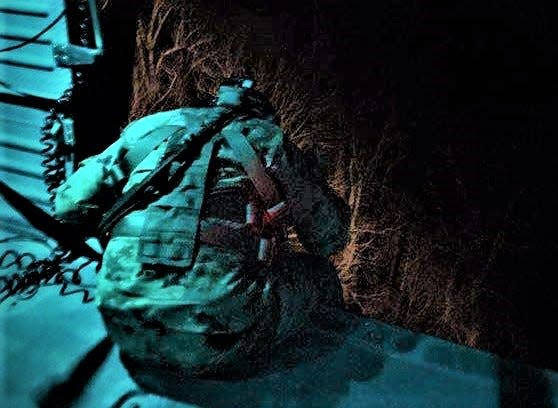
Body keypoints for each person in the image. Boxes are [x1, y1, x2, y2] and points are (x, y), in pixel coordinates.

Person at [54, 78, 350, 394]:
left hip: (123, 323)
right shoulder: (267, 139)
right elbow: (329, 238)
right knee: (321, 276)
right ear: (261, 115)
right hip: (219, 342)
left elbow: (68, 204)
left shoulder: (151, 128)